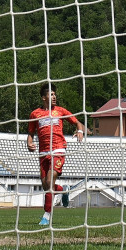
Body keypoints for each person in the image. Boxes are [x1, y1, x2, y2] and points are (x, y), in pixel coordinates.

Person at [27, 83, 87, 226]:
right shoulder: (35, 114)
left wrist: (80, 131)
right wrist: (29, 143)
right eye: (51, 94)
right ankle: (64, 191)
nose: (54, 97)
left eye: (55, 94)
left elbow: (77, 122)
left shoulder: (60, 111)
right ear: (43, 97)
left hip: (58, 149)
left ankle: (46, 215)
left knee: (49, 183)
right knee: (46, 185)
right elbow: (30, 133)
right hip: (43, 152)